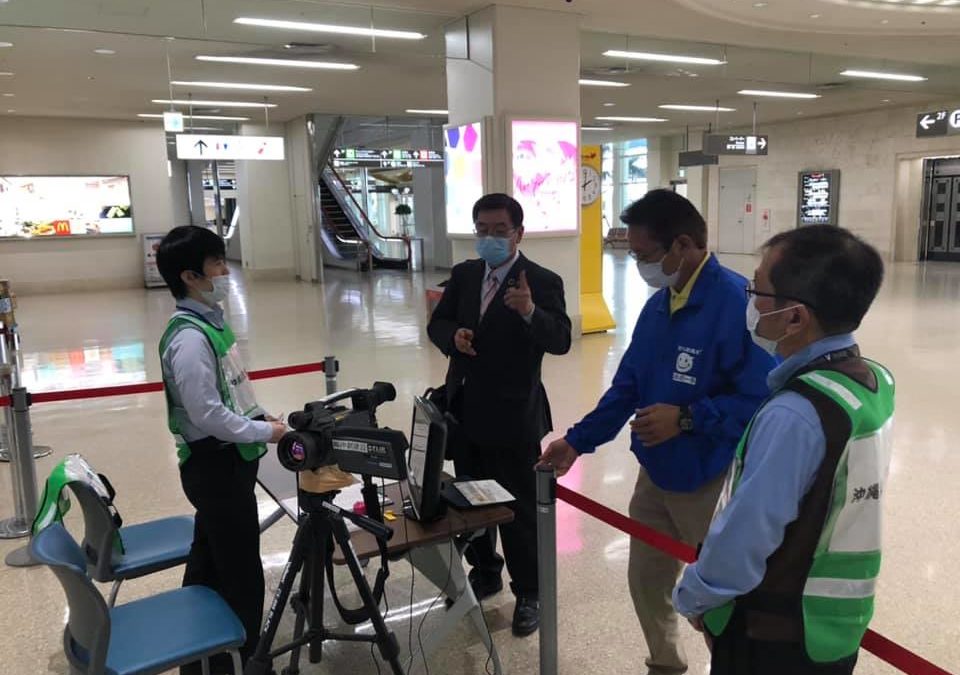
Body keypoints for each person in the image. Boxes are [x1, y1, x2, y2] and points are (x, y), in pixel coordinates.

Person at [538, 189, 776, 674]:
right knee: (647, 581)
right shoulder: (660, 304)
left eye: (644, 254)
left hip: (709, 477)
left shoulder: (736, 305)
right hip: (656, 471)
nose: (640, 265)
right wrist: (576, 442)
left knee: (716, 598)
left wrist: (686, 417)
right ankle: (665, 665)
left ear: (681, 246)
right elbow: (627, 387)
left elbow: (760, 399)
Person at [673, 225, 892, 675]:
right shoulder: (872, 381)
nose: (750, 302)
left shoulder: (796, 414)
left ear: (795, 317)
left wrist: (695, 594)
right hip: (834, 627)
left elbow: (750, 531)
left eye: (758, 289)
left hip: (775, 633)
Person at [427, 192, 571, 636]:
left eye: (499, 230)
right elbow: (439, 322)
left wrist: (529, 311)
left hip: (513, 415)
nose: (490, 238)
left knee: (519, 508)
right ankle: (485, 570)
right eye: (482, 230)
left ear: (518, 233)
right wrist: (456, 339)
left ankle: (530, 591)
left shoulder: (542, 281)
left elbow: (561, 339)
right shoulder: (467, 274)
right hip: (464, 410)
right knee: (470, 498)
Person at [156, 225, 286, 675]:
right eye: (216, 264)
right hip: (215, 464)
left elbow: (231, 391)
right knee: (240, 571)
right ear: (191, 276)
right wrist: (265, 434)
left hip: (227, 460)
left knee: (210, 556)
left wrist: (262, 418)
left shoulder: (208, 324)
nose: (224, 272)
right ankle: (245, 658)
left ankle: (202, 656)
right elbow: (208, 414)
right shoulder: (188, 339)